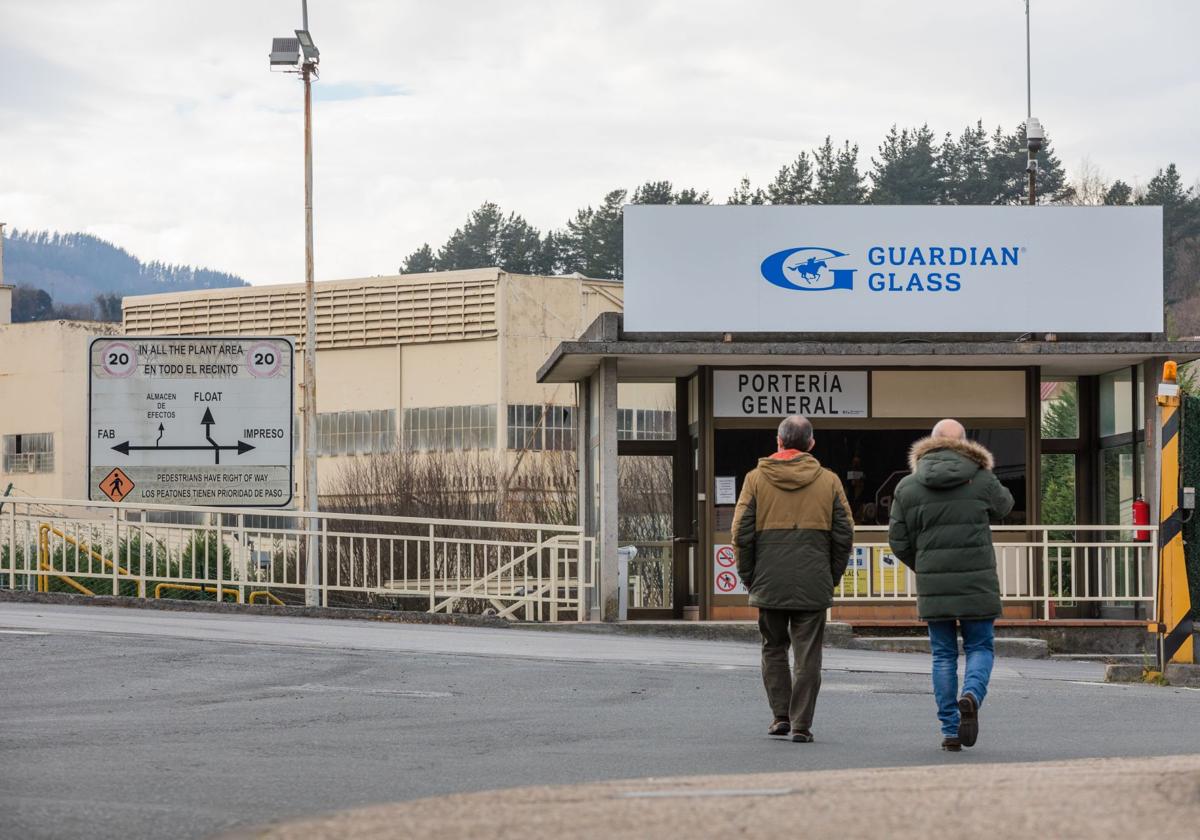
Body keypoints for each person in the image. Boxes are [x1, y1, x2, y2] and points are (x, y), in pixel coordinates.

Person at [887, 419, 1014, 752]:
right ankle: (971, 695)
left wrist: (926, 566)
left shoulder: (908, 486)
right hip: (977, 581)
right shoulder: (982, 478)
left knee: (943, 656)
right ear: (964, 443)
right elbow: (1006, 506)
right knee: (980, 648)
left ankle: (950, 729)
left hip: (934, 585)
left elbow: (898, 541)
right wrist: (986, 472)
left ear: (930, 442)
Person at [731, 415, 854, 743]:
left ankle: (780, 716)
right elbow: (844, 535)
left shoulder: (756, 479)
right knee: (807, 653)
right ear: (811, 444)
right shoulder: (828, 481)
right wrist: (831, 575)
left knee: (773, 646)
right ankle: (801, 724)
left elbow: (740, 533)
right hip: (814, 580)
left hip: (768, 580)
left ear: (779, 441)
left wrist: (750, 577)